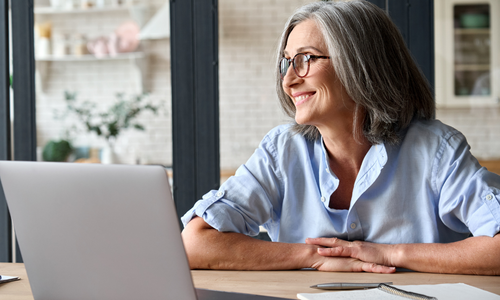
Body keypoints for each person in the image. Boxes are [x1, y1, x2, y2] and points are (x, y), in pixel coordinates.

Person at [181, 0, 500, 275]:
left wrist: (389, 254)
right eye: (286, 63)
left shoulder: (436, 150)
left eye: (305, 59)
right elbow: (196, 242)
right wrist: (314, 258)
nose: (289, 80)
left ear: (360, 64)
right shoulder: (282, 150)